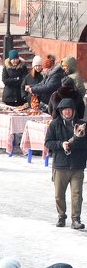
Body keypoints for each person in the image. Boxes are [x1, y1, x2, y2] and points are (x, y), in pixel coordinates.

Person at [45, 98, 87, 229]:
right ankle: (61, 216)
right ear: (61, 111)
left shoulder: (82, 125)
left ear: (73, 111)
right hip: (60, 165)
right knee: (59, 194)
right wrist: (61, 144)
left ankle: (76, 219)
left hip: (77, 165)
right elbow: (48, 142)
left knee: (77, 194)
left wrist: (75, 143)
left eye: (69, 109)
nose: (67, 112)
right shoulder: (54, 124)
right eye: (64, 110)